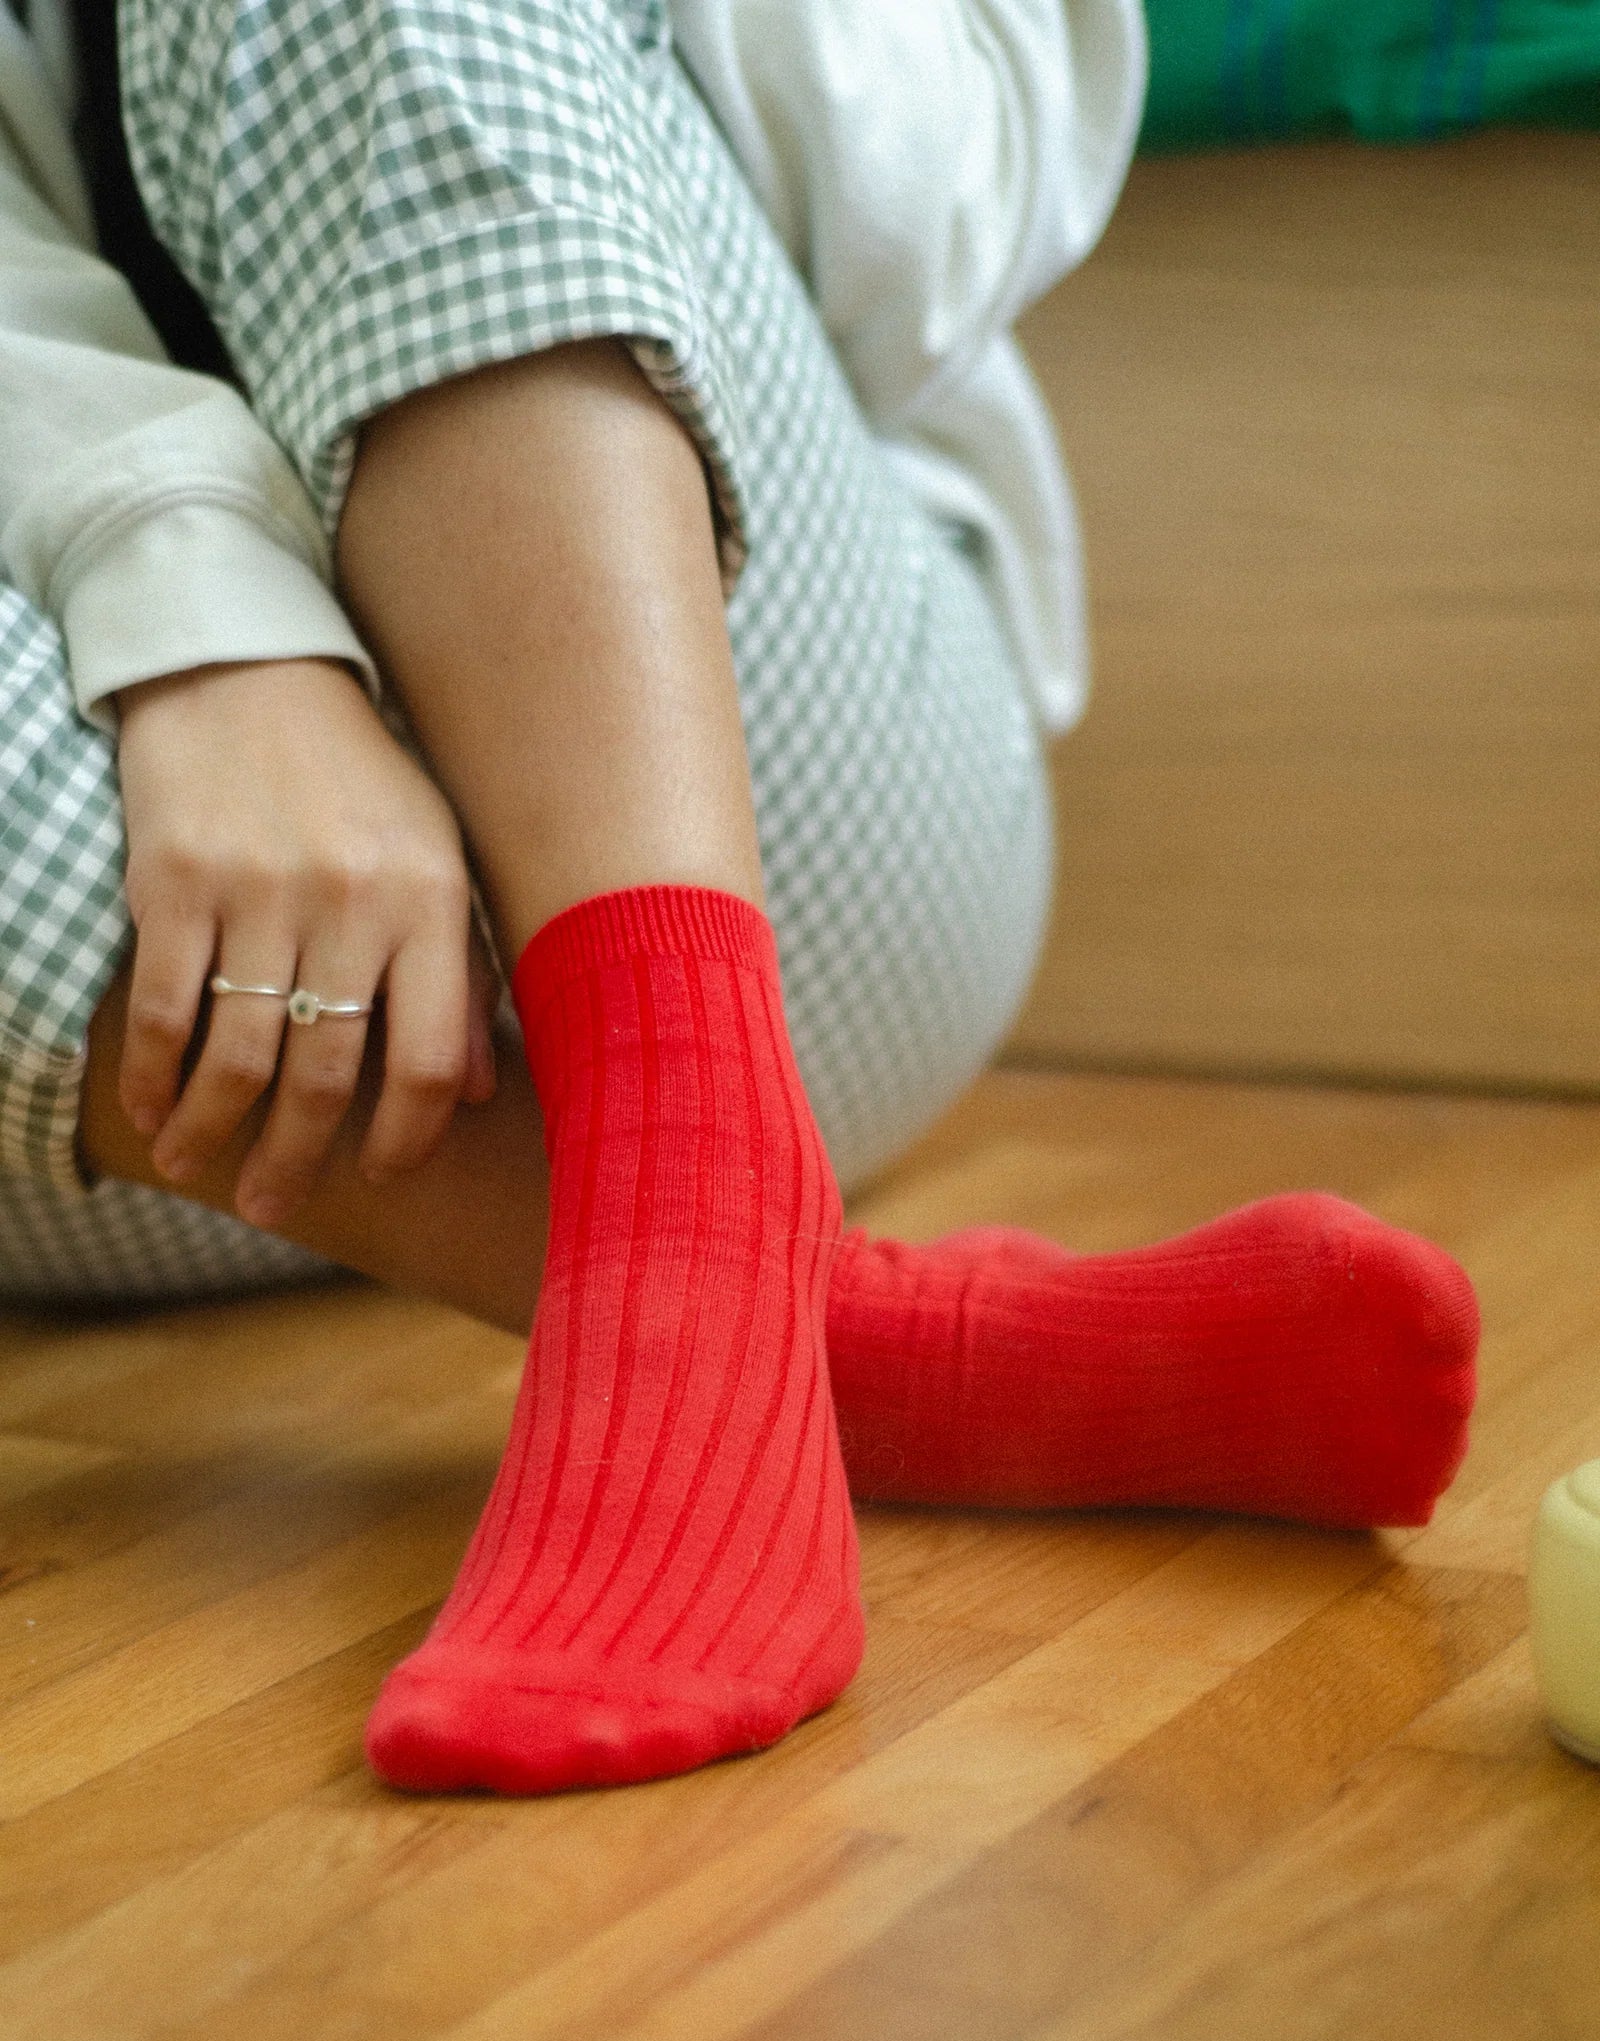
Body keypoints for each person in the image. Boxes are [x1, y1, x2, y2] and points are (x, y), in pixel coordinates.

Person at [0, 0, 1479, 1795]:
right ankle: (850, 1341)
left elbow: (957, 193)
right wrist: (203, 614)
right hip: (120, 1035)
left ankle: (690, 1169)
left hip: (749, 786)